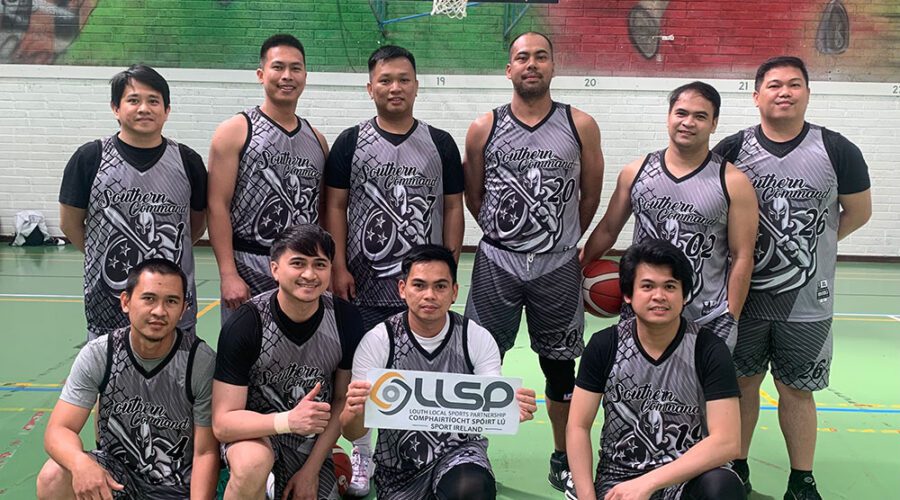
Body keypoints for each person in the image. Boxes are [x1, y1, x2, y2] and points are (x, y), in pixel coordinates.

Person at [712, 56, 872, 499]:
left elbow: (857, 211)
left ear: (807, 93)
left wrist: (814, 243)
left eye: (795, 84)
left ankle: (802, 479)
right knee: (741, 383)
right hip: (740, 297)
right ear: (756, 95)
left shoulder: (837, 148)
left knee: (797, 390)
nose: (785, 92)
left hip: (807, 300)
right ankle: (737, 466)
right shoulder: (731, 149)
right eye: (775, 84)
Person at [462, 31, 605, 491]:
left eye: (540, 56)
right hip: (497, 262)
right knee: (481, 358)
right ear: (509, 69)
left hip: (557, 264)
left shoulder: (580, 123)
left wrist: (560, 238)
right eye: (522, 57)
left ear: (552, 66)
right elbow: (475, 195)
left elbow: (590, 195)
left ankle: (562, 455)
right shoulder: (485, 126)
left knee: (560, 367)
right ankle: (469, 449)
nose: (531, 64)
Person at [323, 44, 465, 495]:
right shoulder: (350, 141)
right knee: (363, 379)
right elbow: (337, 206)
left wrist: (449, 263)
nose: (395, 87)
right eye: (385, 80)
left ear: (417, 85)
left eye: (403, 78)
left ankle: (432, 449)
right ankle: (363, 456)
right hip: (365, 283)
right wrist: (339, 265)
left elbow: (453, 207)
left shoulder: (440, 142)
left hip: (421, 288)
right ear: (370, 88)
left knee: (426, 375)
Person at [341, 244, 538, 500]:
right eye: (419, 285)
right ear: (403, 289)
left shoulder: (474, 337)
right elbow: (350, 431)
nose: (430, 295)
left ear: (454, 291)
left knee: (472, 489)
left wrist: (511, 409)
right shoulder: (379, 340)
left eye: (440, 286)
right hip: (399, 465)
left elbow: (493, 399)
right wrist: (355, 411)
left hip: (460, 454)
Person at [582, 81, 758, 351]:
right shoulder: (637, 172)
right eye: (681, 113)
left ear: (713, 124)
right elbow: (608, 230)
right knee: (635, 389)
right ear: (668, 117)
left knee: (700, 393)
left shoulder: (733, 181)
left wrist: (730, 315)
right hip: (641, 313)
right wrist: (577, 267)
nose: (688, 122)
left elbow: (742, 255)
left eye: (700, 116)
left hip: (706, 316)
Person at [567, 240, 744, 500]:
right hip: (619, 479)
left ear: (684, 295)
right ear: (628, 294)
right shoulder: (606, 345)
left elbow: (727, 441)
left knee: (723, 486)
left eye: (670, 286)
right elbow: (578, 426)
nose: (659, 296)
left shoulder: (707, 348)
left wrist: (648, 483)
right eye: (647, 286)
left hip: (685, 478)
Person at [37, 258, 219, 499]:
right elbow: (58, 430)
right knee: (53, 476)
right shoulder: (101, 353)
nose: (159, 311)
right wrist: (80, 462)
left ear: (184, 308)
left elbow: (205, 452)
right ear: (126, 302)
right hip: (117, 477)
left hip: (178, 483)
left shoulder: (200, 361)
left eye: (171, 301)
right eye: (149, 298)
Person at [212, 224, 364, 499]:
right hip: (255, 435)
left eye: (320, 264)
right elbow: (223, 423)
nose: (309, 274)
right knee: (251, 464)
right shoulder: (247, 324)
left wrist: (311, 470)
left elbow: (341, 399)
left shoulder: (346, 319)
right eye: (298, 263)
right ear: (274, 269)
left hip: (310, 445)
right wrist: (287, 421)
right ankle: (244, 480)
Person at [59, 64, 207, 340]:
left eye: (153, 101)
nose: (144, 108)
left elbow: (195, 227)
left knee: (176, 374)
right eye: (133, 100)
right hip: (107, 296)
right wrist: (104, 254)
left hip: (172, 299)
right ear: (116, 108)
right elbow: (70, 224)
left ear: (167, 110)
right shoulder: (90, 158)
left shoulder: (188, 161)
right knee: (109, 373)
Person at [208, 33, 329, 325]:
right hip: (249, 265)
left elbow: (322, 212)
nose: (287, 76)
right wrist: (228, 274)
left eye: (295, 68)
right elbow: (216, 206)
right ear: (262, 74)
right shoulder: (236, 130)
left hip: (301, 269)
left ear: (305, 76)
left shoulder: (318, 140)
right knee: (245, 358)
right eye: (278, 67)